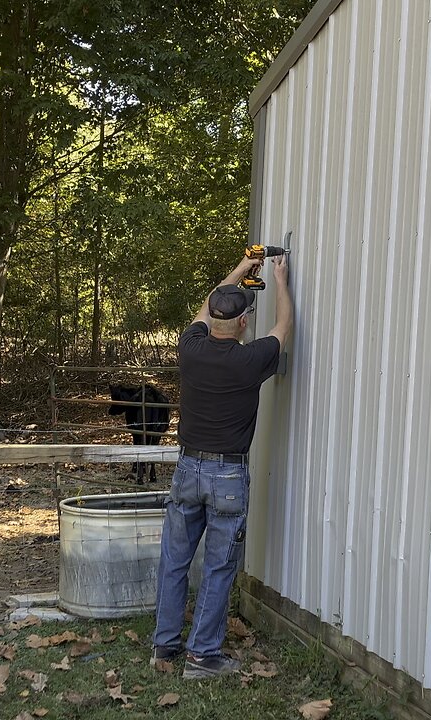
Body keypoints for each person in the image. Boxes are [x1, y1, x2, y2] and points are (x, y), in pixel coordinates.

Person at [151, 251, 293, 679]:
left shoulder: (190, 349)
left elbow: (208, 303)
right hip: (227, 475)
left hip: (187, 470)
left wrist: (237, 272)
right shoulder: (249, 361)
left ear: (211, 320)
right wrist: (281, 282)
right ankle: (203, 656)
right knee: (217, 566)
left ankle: (164, 648)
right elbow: (284, 326)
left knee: (175, 560)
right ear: (244, 324)